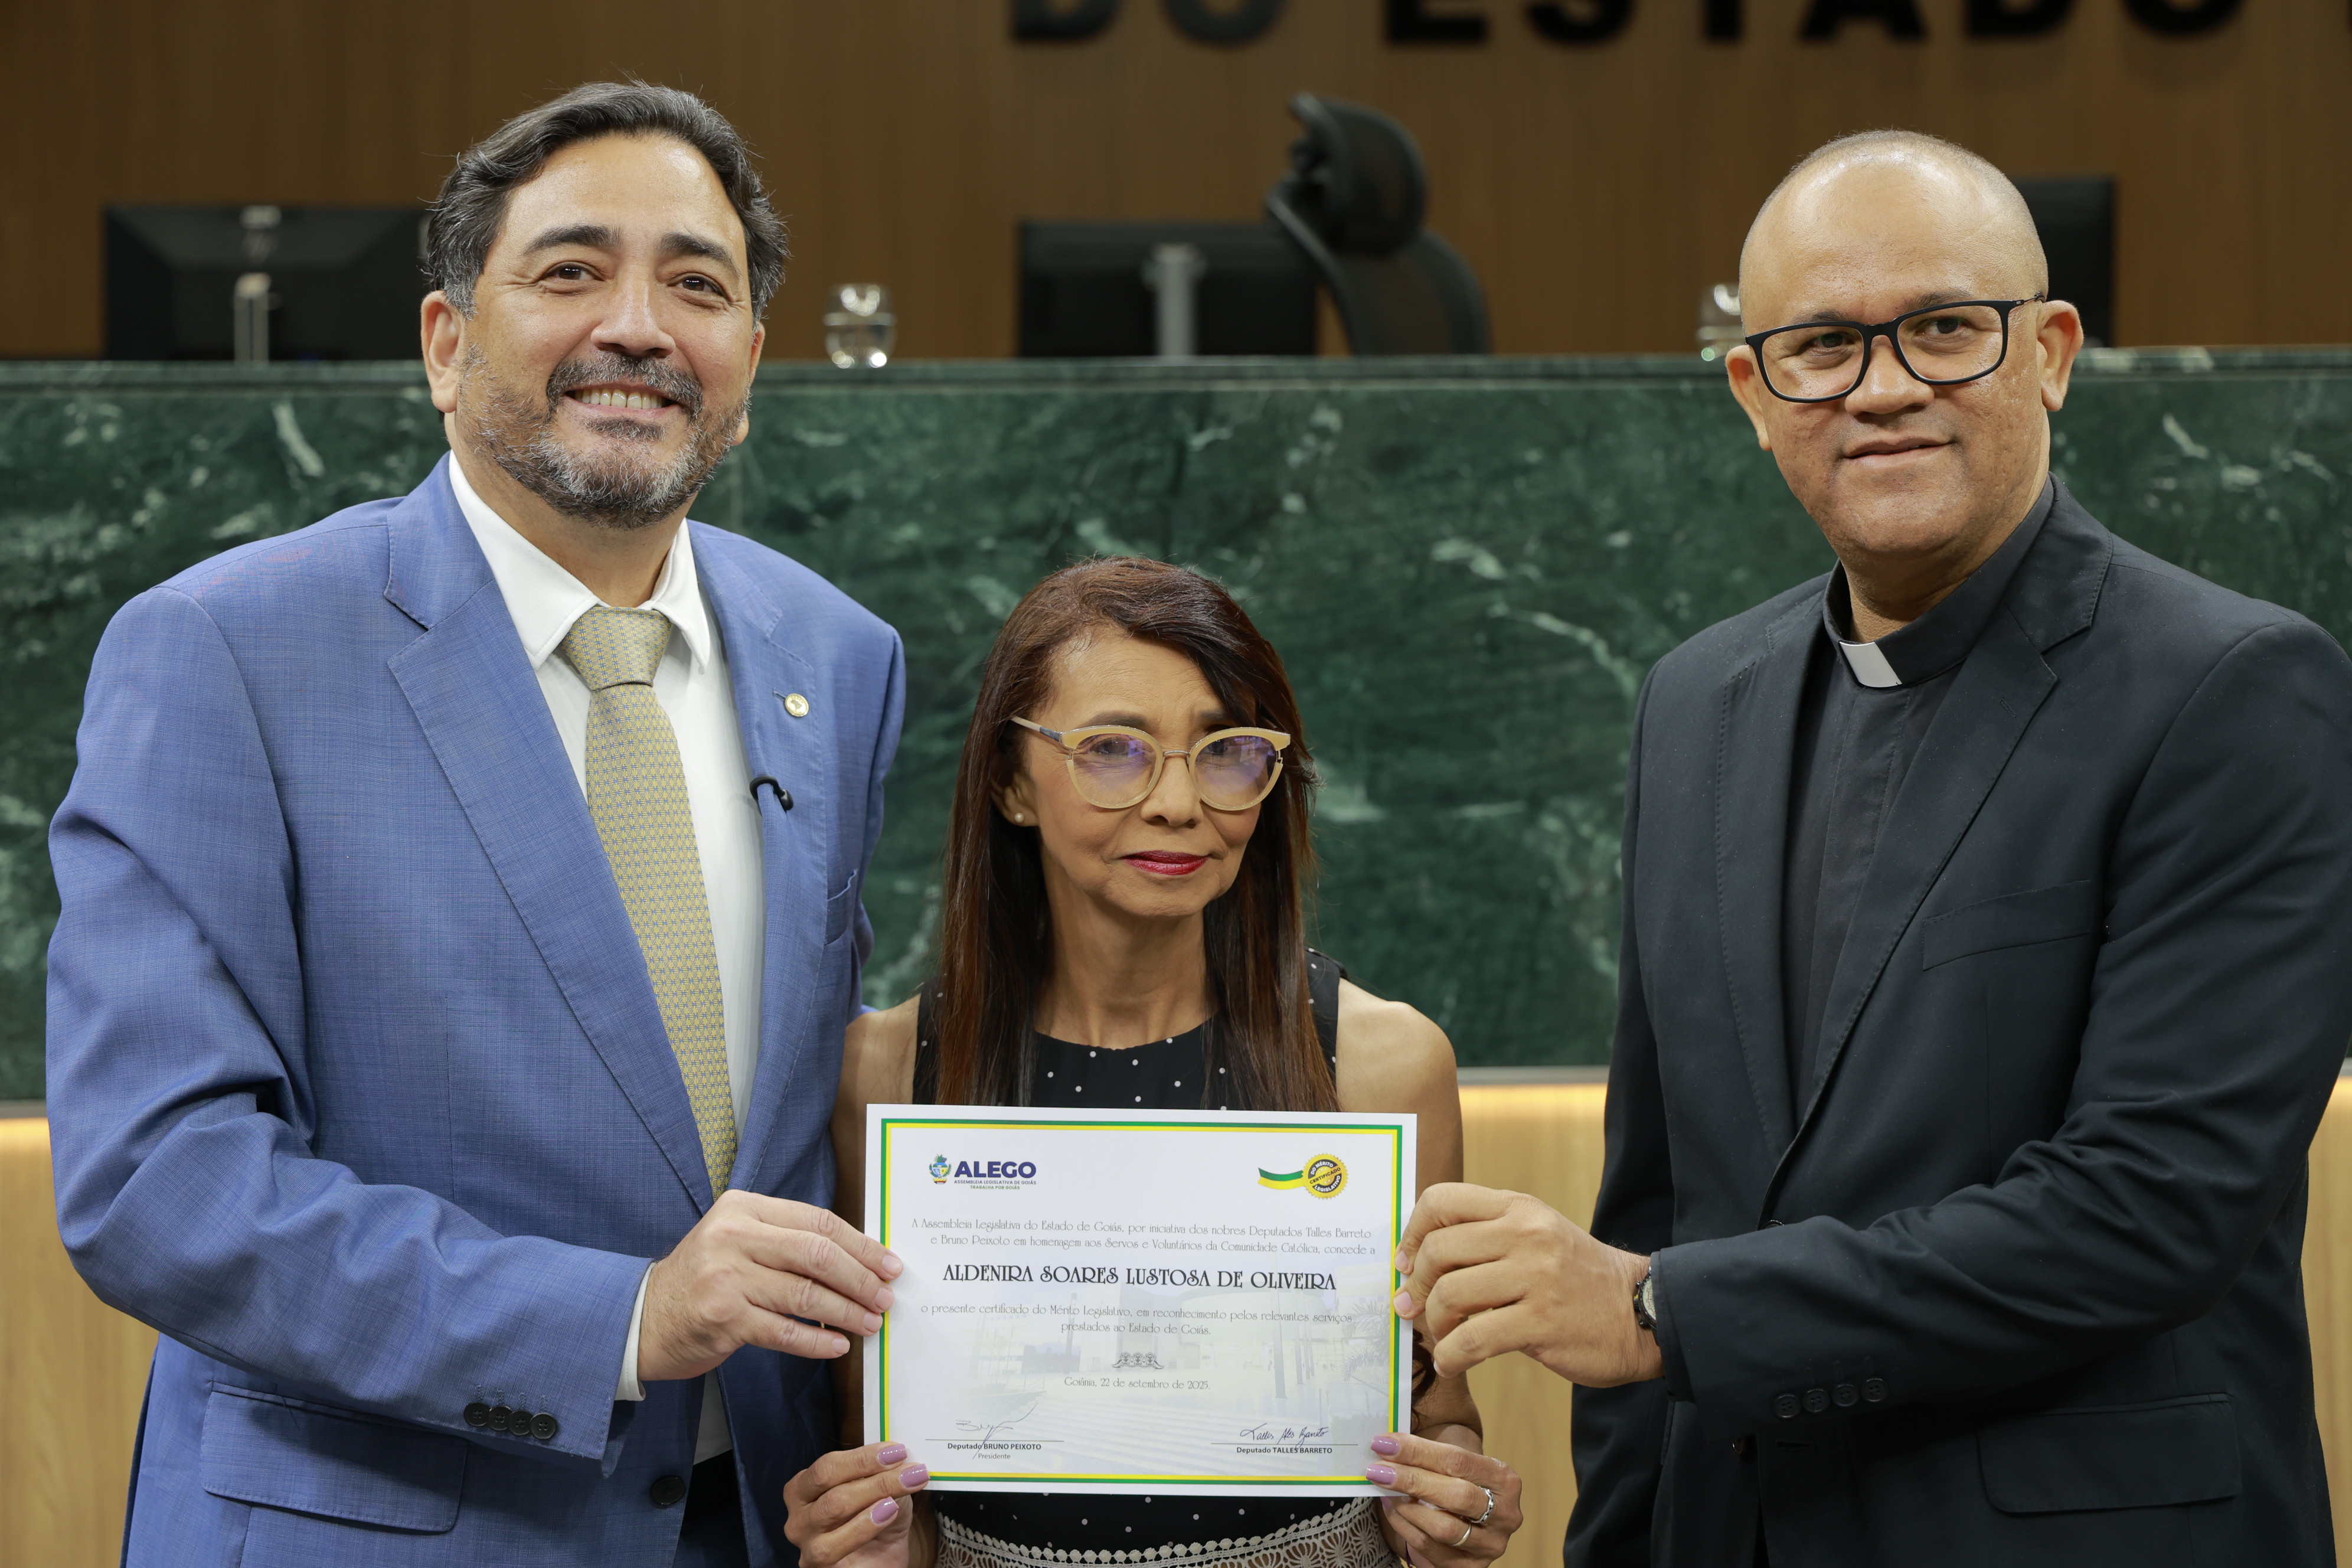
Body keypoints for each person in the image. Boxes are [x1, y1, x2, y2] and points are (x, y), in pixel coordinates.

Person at [1390, 130, 2352, 1567]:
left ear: (2051, 353)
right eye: (1824, 344)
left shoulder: (2235, 688)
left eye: (1945, 328)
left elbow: (2149, 1209)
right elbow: (1660, 1197)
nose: (1883, 385)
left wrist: (1661, 1312)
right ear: (1753, 391)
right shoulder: (1694, 702)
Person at [46, 83, 904, 1567]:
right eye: (571, 271)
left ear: (751, 364)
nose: (638, 326)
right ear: (446, 345)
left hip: (762, 1528)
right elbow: (156, 1178)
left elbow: (802, 1120)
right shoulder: (226, 649)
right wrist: (621, 1319)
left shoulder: (836, 652)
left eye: (697, 285)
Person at [776, 558, 1524, 1568]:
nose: (1178, 802)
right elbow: (879, 1451)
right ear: (1010, 781)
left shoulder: (1383, 1063)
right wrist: (872, 1535)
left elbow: (1439, 1412)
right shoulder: (884, 1073)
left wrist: (1453, 1500)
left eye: (1227, 753)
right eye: (1113, 750)